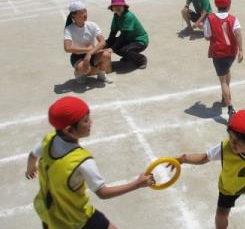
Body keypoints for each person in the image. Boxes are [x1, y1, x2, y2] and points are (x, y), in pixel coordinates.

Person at [26, 96, 154, 229]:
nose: (91, 123)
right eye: (86, 121)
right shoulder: (82, 160)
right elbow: (102, 193)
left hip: (47, 213)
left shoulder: (49, 139)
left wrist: (30, 169)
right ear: (68, 130)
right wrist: (137, 184)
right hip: (76, 219)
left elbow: (32, 155)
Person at [204, 0, 243, 120]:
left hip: (218, 52)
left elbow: (207, 36)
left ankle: (230, 108)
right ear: (228, 5)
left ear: (216, 5)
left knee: (222, 80)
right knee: (227, 70)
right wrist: (241, 50)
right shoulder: (233, 18)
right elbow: (238, 33)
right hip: (231, 52)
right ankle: (224, 95)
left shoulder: (210, 18)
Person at [64, 1, 113, 84]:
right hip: (77, 57)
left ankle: (101, 74)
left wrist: (89, 53)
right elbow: (67, 48)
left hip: (92, 53)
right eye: (82, 13)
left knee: (106, 55)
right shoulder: (69, 29)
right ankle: (79, 72)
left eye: (85, 11)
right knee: (85, 69)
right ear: (73, 15)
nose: (85, 14)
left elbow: (102, 42)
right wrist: (86, 50)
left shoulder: (92, 25)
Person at [106, 0, 149, 69]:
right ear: (112, 8)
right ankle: (129, 57)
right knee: (111, 43)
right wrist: (106, 44)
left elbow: (123, 35)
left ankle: (141, 59)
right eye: (115, 6)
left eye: (120, 5)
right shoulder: (116, 15)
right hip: (129, 39)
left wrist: (112, 49)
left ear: (124, 6)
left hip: (140, 41)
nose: (117, 7)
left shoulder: (128, 16)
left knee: (125, 50)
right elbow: (113, 32)